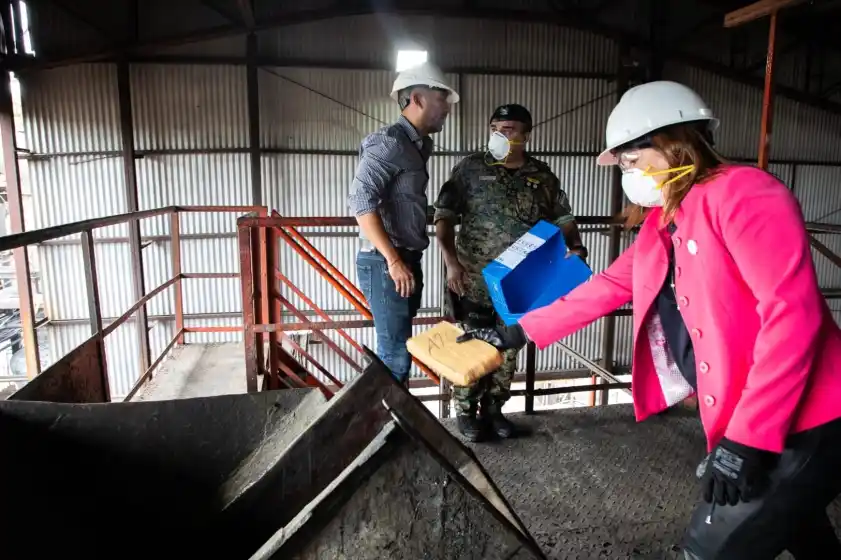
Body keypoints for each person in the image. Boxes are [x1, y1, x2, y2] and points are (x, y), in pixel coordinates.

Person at [458, 81, 841, 559]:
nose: (626, 172)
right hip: (758, 417)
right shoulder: (664, 223)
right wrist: (511, 332)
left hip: (808, 418)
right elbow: (605, 289)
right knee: (800, 529)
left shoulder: (746, 195)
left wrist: (747, 442)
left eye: (629, 159)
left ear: (670, 142)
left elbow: (791, 318)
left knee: (710, 549)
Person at [434, 103, 587, 442]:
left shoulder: (542, 176)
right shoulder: (470, 169)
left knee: (508, 351)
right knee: (472, 345)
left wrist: (574, 246)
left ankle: (494, 412)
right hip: (471, 280)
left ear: (526, 136)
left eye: (509, 129)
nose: (500, 135)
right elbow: (443, 217)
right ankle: (465, 413)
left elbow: (563, 219)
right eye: (495, 128)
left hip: (520, 284)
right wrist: (450, 262)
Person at [347, 62, 459, 384]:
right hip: (387, 263)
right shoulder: (390, 142)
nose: (447, 108)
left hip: (405, 259)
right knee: (395, 355)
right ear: (418, 99)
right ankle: (386, 428)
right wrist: (394, 261)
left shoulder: (419, 146)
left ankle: (391, 422)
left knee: (399, 351)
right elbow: (361, 202)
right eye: (442, 98)